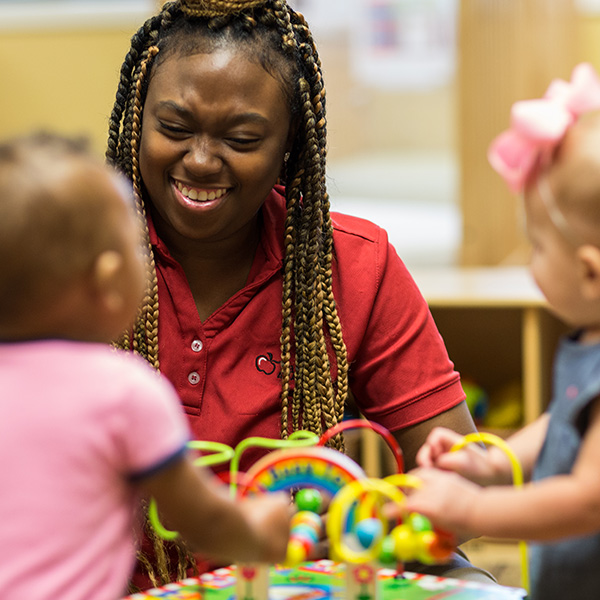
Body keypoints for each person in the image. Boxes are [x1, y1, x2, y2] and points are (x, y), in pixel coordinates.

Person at [105, 0, 486, 587]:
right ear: (137, 118)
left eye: (242, 137)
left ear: (289, 145)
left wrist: (347, 526)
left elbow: (465, 481)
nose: (201, 160)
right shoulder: (82, 257)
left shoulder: (353, 264)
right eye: (174, 128)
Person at [0, 132, 292, 600]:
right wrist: (260, 529)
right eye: (138, 244)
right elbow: (200, 520)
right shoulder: (122, 390)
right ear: (110, 279)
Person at [404, 62, 600, 600]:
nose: (528, 260)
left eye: (538, 247)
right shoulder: (591, 339)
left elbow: (588, 498)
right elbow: (563, 419)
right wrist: (493, 461)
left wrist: (472, 508)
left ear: (589, 270)